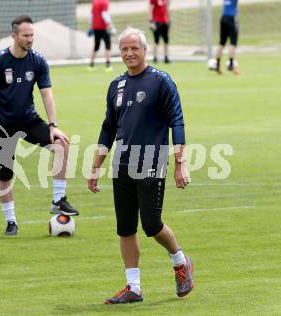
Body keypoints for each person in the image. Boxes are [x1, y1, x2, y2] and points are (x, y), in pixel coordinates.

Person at [87, 27, 193, 304]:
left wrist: (180, 163)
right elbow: (108, 127)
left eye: (134, 48)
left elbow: (177, 122)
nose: (129, 53)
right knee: (125, 228)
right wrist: (96, 165)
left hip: (151, 161)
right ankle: (133, 287)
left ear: (145, 50)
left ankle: (180, 262)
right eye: (124, 48)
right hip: (121, 163)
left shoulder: (161, 81)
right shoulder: (116, 86)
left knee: (152, 223)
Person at [0, 15, 79, 236]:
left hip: (28, 120)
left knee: (61, 143)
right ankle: (11, 222)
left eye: (32, 35)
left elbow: (46, 94)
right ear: (14, 36)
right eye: (26, 35)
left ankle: (58, 199)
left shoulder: (38, 61)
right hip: (2, 127)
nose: (30, 39)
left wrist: (53, 125)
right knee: (5, 176)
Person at [88, 0, 115, 72]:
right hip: (104, 27)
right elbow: (104, 13)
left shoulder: (94, 1)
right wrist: (110, 25)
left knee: (96, 46)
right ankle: (108, 65)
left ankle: (91, 65)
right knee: (108, 46)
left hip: (95, 27)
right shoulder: (105, 1)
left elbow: (91, 14)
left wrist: (91, 25)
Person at [214, 0, 239, 74]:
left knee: (221, 43)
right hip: (231, 18)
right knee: (233, 43)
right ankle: (231, 65)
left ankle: (217, 65)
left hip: (223, 18)